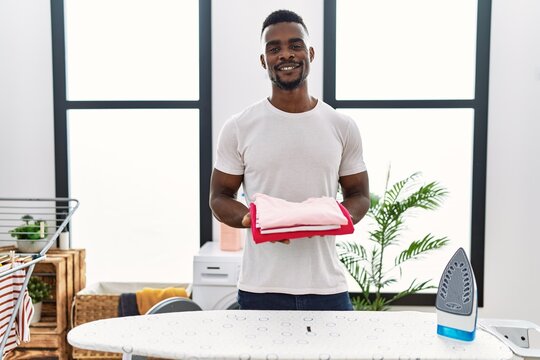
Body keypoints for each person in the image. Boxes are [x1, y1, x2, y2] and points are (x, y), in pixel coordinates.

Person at [209, 9, 369, 310]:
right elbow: (219, 196)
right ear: (263, 61)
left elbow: (358, 194)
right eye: (274, 49)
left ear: (310, 53)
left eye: (295, 46)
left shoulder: (341, 126)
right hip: (261, 289)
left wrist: (328, 218)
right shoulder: (239, 127)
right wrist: (252, 220)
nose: (286, 55)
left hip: (327, 289)